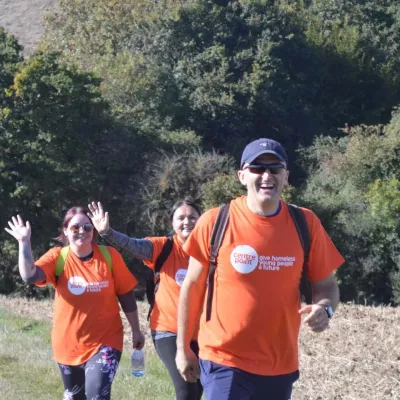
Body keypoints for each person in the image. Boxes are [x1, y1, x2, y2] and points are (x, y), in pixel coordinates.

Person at [175, 138, 345, 400]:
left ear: (286, 176)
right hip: (224, 360)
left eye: (275, 168)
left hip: (279, 365)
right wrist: (183, 346)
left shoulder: (305, 223)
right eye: (257, 168)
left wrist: (325, 308)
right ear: (242, 176)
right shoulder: (215, 221)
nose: (267, 176)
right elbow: (193, 286)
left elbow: (327, 285)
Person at [5, 207, 145, 400]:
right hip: (67, 345)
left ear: (93, 231)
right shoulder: (57, 257)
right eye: (75, 227)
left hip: (106, 342)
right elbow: (29, 276)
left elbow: (126, 295)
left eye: (87, 227)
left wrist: (136, 330)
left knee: (97, 394)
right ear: (65, 230)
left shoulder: (109, 256)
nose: (82, 231)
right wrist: (23, 243)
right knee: (75, 395)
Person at [88, 199, 203, 400]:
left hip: (203, 333)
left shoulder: (211, 251)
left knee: (198, 390)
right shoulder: (162, 247)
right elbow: (132, 245)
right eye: (181, 218)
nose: (187, 222)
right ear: (172, 223)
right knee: (186, 389)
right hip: (167, 330)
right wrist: (107, 232)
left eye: (192, 217)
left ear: (201, 220)